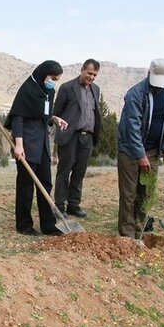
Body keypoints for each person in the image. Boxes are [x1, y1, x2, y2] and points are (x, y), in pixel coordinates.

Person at [5, 61, 69, 236]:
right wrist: (19, 145)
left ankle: (48, 225)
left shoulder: (48, 90)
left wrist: (54, 119)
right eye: (52, 78)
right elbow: (18, 118)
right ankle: (24, 225)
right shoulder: (27, 89)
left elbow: (43, 114)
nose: (53, 82)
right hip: (26, 144)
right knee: (26, 186)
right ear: (43, 74)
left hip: (42, 144)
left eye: (56, 79)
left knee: (45, 183)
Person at [117, 58, 164, 239]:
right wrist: (140, 155)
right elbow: (132, 127)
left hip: (153, 150)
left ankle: (139, 229)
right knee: (129, 194)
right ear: (148, 73)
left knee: (146, 193)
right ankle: (127, 236)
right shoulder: (135, 94)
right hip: (130, 150)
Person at [53, 59, 101, 218]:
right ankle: (60, 206)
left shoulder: (96, 89)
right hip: (70, 137)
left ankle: (74, 204)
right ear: (82, 70)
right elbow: (56, 113)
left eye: (94, 75)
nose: (92, 77)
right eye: (89, 73)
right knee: (64, 171)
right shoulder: (67, 88)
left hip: (87, 138)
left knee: (79, 172)